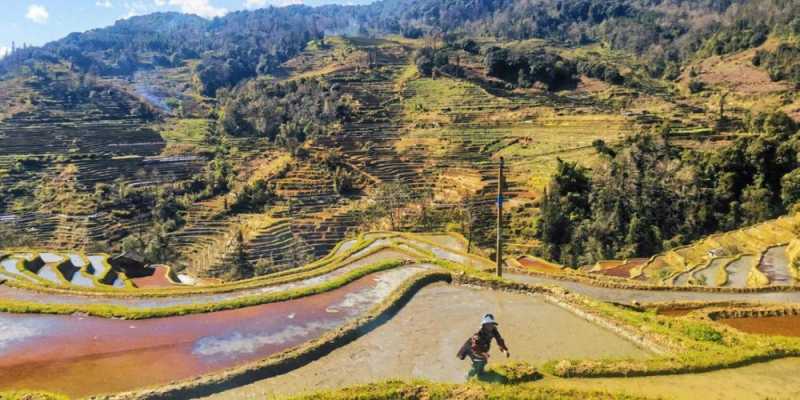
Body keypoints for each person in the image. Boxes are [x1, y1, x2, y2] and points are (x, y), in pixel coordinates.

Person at [457, 313, 510, 379]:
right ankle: (467, 376)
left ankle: (480, 373)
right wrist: (483, 353)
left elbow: (499, 340)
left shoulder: (494, 330)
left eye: (491, 324)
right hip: (471, 348)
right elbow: (474, 347)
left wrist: (504, 350)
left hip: (482, 347)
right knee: (478, 363)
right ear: (484, 325)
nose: (490, 326)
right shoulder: (478, 335)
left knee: (483, 361)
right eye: (488, 324)